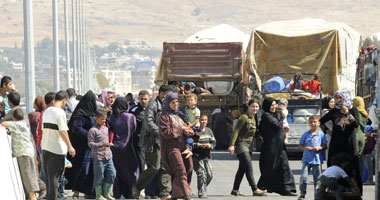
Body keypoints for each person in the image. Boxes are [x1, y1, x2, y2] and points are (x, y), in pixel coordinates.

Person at [132, 84, 172, 200]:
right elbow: (148, 122)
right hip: (154, 141)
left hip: (166, 141)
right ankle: (137, 186)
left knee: (165, 167)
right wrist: (161, 132)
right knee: (154, 167)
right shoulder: (153, 105)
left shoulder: (168, 106)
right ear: (161, 93)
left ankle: (165, 192)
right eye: (167, 94)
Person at [320, 90, 362, 194]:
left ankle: (354, 191)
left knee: (350, 167)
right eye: (337, 98)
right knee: (334, 166)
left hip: (349, 144)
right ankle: (334, 191)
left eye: (340, 98)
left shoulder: (353, 110)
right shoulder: (334, 111)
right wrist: (327, 131)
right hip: (336, 144)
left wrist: (347, 113)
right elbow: (320, 121)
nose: (338, 100)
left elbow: (356, 124)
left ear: (346, 98)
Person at [257, 97, 297, 196]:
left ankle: (286, 189)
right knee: (271, 167)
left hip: (280, 147)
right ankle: (260, 187)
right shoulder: (266, 116)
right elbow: (277, 125)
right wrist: (284, 118)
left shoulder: (273, 115)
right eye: (272, 105)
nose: (274, 107)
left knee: (284, 166)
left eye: (275, 104)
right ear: (267, 106)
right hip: (272, 147)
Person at [158, 92, 194, 200]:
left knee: (189, 168)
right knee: (180, 169)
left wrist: (190, 132)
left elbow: (186, 127)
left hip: (184, 146)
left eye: (177, 102)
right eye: (173, 102)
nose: (175, 104)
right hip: (172, 147)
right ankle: (186, 194)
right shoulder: (164, 116)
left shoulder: (180, 115)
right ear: (167, 103)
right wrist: (181, 129)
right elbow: (166, 132)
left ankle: (176, 194)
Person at [41, 90, 76, 200]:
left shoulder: (46, 111)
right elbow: (63, 131)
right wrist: (70, 146)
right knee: (56, 179)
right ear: (64, 100)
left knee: (50, 179)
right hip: (57, 150)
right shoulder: (60, 112)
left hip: (46, 148)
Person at [228, 99, 266, 197]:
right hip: (241, 145)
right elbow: (236, 131)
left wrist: (259, 136)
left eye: (256, 106)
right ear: (248, 107)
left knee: (242, 169)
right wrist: (232, 145)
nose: (255, 108)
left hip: (249, 146)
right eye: (252, 106)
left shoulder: (254, 118)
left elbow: (253, 131)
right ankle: (254, 189)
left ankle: (235, 189)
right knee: (249, 167)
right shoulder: (244, 118)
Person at [1, 109, 39, 200]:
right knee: (27, 179)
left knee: (28, 178)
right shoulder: (22, 124)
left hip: (24, 155)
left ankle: (32, 197)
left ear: (14, 118)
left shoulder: (18, 124)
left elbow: (3, 124)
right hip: (25, 154)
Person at [65, 90, 97, 199]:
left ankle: (88, 191)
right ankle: (77, 191)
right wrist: (90, 135)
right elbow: (76, 128)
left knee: (88, 170)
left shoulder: (90, 113)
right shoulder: (80, 115)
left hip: (89, 147)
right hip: (80, 148)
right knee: (82, 170)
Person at [108, 97, 138, 199]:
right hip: (128, 147)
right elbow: (134, 129)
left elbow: (108, 131)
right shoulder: (131, 117)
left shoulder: (110, 118)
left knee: (117, 170)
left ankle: (117, 193)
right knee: (128, 169)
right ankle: (128, 192)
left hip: (114, 148)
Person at [88, 109, 116, 200]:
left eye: (105, 119)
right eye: (102, 119)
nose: (104, 121)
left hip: (108, 156)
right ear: (96, 118)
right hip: (98, 157)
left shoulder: (106, 129)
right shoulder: (92, 130)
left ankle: (106, 193)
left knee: (112, 174)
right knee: (99, 176)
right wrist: (101, 145)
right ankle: (99, 195)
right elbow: (90, 144)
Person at [298, 115, 327, 200]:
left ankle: (317, 196)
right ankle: (302, 194)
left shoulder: (321, 135)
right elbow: (300, 145)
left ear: (318, 123)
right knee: (304, 177)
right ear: (309, 123)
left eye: (315, 122)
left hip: (317, 160)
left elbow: (325, 145)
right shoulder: (306, 134)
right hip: (306, 159)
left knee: (317, 180)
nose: (313, 123)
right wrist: (305, 148)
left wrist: (319, 148)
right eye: (311, 122)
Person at [192, 114, 216, 198]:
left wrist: (210, 145)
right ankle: (201, 191)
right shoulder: (195, 132)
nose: (204, 121)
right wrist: (199, 145)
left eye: (205, 120)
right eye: (202, 120)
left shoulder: (209, 131)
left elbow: (214, 142)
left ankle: (203, 187)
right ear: (199, 121)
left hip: (207, 156)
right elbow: (191, 144)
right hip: (197, 157)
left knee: (209, 174)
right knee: (201, 174)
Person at [129, 90, 151, 172]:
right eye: (141, 99)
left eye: (145, 99)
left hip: (151, 141)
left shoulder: (152, 109)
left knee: (152, 165)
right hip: (138, 141)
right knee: (140, 164)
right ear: (138, 99)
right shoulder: (134, 110)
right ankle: (139, 183)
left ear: (149, 98)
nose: (143, 101)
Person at [353, 96, 368, 175]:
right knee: (360, 157)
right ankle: (360, 176)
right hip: (362, 137)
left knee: (354, 157)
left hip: (354, 136)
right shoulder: (365, 114)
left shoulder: (355, 113)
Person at [320, 95, 335, 161]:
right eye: (331, 102)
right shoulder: (325, 112)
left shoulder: (332, 111)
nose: (333, 104)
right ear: (326, 103)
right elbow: (330, 125)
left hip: (332, 134)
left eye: (334, 102)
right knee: (329, 151)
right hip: (330, 134)